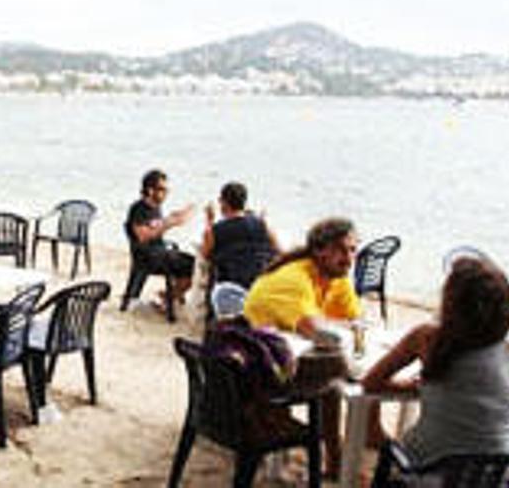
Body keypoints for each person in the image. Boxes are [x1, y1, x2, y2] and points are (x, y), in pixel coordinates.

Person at [242, 217, 361, 478]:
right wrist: (342, 328)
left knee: (344, 369)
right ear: (319, 250)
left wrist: (345, 327)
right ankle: (337, 456)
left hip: (287, 356)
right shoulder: (295, 278)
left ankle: (349, 447)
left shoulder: (336, 277)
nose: (349, 257)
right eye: (342, 249)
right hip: (259, 368)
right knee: (341, 373)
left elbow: (356, 321)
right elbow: (316, 330)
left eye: (353, 249)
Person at [363, 257, 509, 466]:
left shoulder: (427, 338)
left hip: (428, 470)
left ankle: (374, 435)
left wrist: (376, 428)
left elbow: (371, 382)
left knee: (397, 447)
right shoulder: (504, 350)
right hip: (495, 473)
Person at [124, 169, 195, 309]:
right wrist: (168, 224)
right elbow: (143, 236)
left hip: (159, 253)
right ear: (150, 191)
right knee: (195, 267)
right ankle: (170, 297)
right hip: (147, 257)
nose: (166, 194)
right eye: (162, 190)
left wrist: (178, 215)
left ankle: (168, 296)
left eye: (167, 190)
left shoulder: (155, 208)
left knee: (195, 264)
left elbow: (158, 225)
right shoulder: (138, 209)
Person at [201, 181, 279, 289]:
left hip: (233, 289)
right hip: (263, 284)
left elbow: (204, 255)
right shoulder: (262, 224)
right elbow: (279, 249)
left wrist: (209, 221)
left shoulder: (215, 230)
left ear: (223, 202)